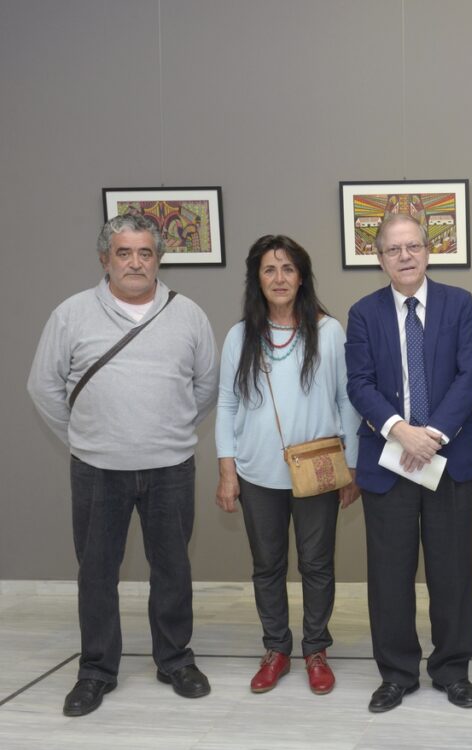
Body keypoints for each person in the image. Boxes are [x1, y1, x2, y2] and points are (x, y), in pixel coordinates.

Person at [27, 214, 218, 716]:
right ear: (104, 259)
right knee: (96, 573)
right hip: (97, 469)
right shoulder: (71, 314)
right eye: (124, 253)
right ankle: (95, 670)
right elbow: (43, 386)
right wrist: (86, 436)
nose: (135, 263)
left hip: (171, 467)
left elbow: (206, 387)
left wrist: (170, 431)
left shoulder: (189, 315)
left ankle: (175, 660)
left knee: (173, 569)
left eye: (145, 253)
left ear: (158, 259)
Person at [345, 213, 472, 713]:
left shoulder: (459, 304)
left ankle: (452, 670)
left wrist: (433, 435)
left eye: (414, 247)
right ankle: (397, 674)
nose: (405, 257)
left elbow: (470, 377)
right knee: (389, 575)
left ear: (429, 251)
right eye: (394, 250)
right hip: (388, 461)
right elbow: (358, 383)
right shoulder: (363, 313)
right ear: (379, 258)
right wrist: (400, 430)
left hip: (448, 458)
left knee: (451, 572)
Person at [214, 235, 361, 696]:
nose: (279, 279)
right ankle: (276, 649)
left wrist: (352, 465)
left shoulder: (329, 331)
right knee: (267, 566)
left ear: (302, 277)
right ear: (257, 279)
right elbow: (225, 404)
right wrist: (226, 470)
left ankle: (315, 649)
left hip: (316, 472)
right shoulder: (241, 336)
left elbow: (346, 400)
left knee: (317, 565)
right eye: (269, 270)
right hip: (257, 473)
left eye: (288, 269)